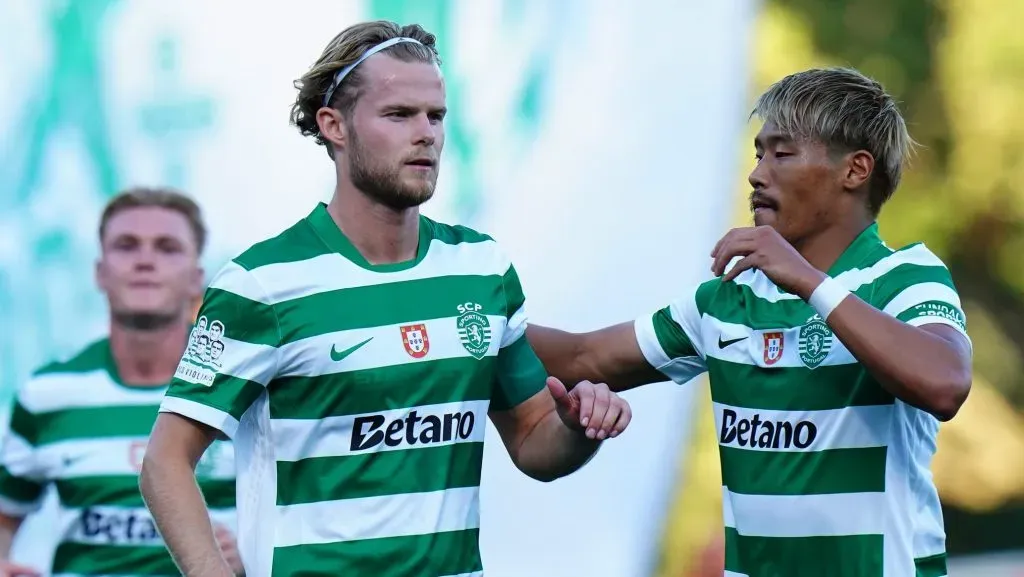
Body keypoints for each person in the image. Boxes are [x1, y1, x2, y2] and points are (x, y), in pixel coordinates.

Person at [139, 20, 632, 577]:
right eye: (399, 115)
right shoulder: (261, 284)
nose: (426, 134)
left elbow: (533, 439)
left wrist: (577, 428)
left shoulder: (482, 268)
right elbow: (165, 461)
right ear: (335, 126)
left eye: (436, 116)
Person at [527, 67, 973, 577]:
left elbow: (946, 385)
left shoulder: (903, 276)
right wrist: (464, 318)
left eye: (782, 153)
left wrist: (809, 282)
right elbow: (584, 357)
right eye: (760, 153)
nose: (757, 173)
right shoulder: (725, 301)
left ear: (855, 170)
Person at [0, 188, 241, 576]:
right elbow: (5, 516)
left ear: (198, 278)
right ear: (99, 272)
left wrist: (252, 550)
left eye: (167, 248)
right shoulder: (47, 394)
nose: (145, 260)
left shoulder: (246, 388)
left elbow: (313, 512)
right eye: (127, 246)